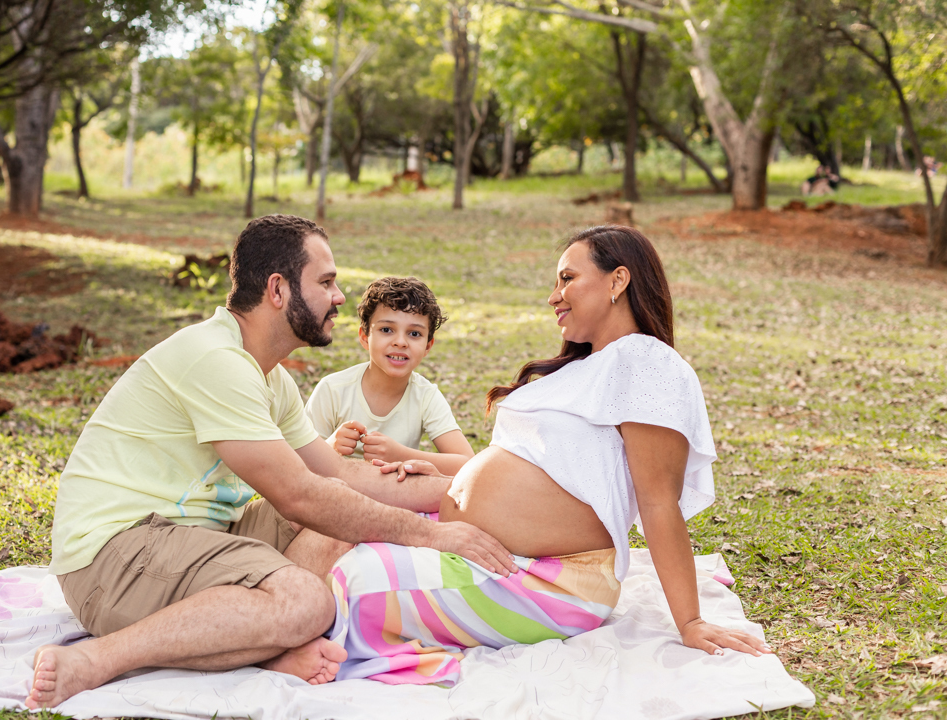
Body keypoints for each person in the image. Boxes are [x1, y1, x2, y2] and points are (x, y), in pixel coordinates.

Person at [25, 215, 517, 709]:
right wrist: (432, 533)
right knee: (308, 602)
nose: (340, 296)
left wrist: (471, 488)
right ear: (279, 290)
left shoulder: (272, 378)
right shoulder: (215, 359)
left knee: (345, 518)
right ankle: (96, 661)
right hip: (114, 556)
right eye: (326, 282)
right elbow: (299, 495)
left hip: (193, 537)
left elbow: (340, 474)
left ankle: (264, 638)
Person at [326, 225, 772, 685]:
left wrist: (691, 622)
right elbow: (540, 468)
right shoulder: (588, 366)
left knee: (350, 583)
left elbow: (659, 502)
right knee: (342, 537)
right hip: (491, 553)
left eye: (567, 279)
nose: (553, 295)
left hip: (550, 583)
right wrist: (443, 470)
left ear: (618, 282)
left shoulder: (644, 362)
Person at [305, 276, 474, 476]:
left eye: (414, 334)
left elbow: (468, 464)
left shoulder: (425, 396)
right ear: (364, 337)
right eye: (387, 330)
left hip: (395, 495)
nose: (400, 342)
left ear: (428, 345)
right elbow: (296, 464)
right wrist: (329, 447)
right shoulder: (332, 390)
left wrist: (400, 454)